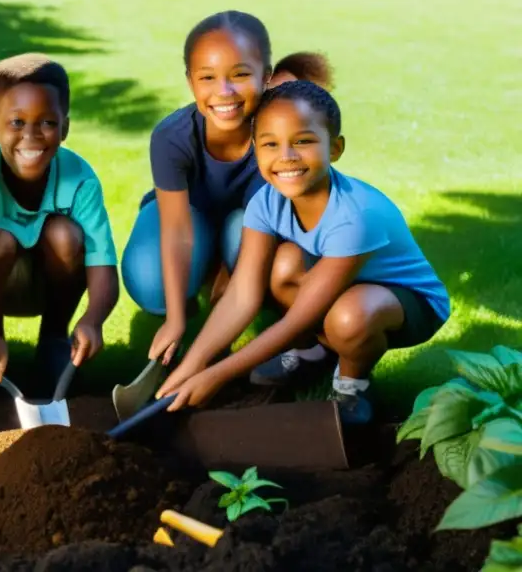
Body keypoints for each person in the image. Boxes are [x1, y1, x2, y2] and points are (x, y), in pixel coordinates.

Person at [155, 81, 450, 424]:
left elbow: (300, 318)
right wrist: (195, 363)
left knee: (349, 317)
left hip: (407, 304)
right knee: (282, 265)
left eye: (304, 142)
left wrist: (218, 374)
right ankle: (314, 354)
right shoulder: (266, 201)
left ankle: (352, 386)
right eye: (270, 144)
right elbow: (242, 295)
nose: (287, 157)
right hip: (341, 288)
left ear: (335, 148)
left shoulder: (356, 216)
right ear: (256, 149)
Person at [121, 11, 333, 367]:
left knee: (243, 236)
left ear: (265, 77)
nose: (225, 92)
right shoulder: (171, 137)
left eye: (240, 75)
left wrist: (222, 319)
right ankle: (189, 298)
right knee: (149, 278)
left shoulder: (274, 138)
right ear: (191, 82)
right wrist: (175, 318)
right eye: (208, 77)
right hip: (188, 216)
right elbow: (175, 232)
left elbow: (258, 230)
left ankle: (236, 305)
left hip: (249, 224)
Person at [0, 53, 119, 390]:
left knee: (65, 234)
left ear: (65, 127)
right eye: (16, 122)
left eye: (47, 122)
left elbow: (103, 266)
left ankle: (53, 343)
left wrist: (93, 319)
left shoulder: (80, 179)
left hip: (47, 287)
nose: (32, 135)